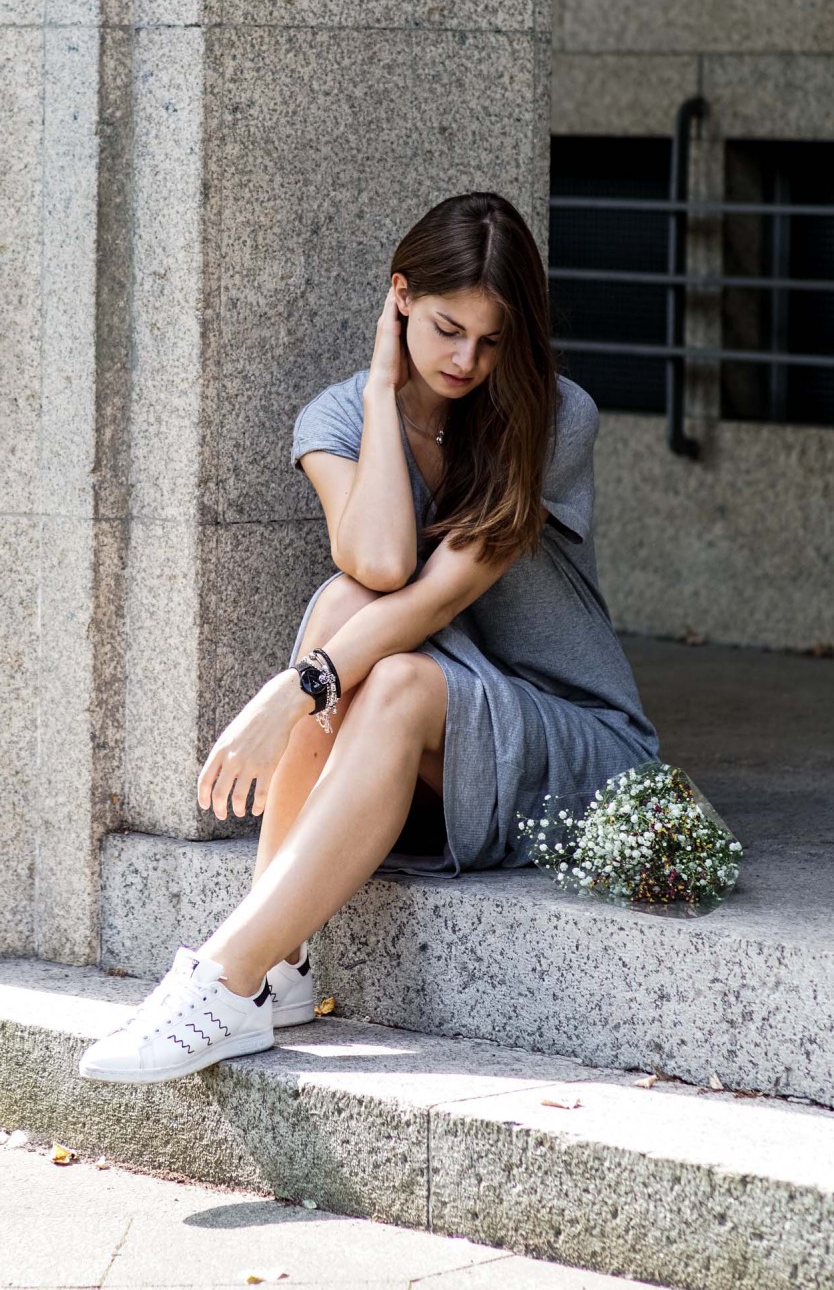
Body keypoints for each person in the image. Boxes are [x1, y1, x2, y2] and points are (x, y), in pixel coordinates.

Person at [78, 190, 660, 1086]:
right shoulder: (339, 417)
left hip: (573, 736)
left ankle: (229, 978)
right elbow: (382, 561)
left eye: (494, 338)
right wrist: (386, 389)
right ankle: (278, 968)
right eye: (444, 328)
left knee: (389, 677)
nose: (468, 359)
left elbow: (434, 598)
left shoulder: (554, 415)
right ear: (398, 299)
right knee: (346, 598)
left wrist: (297, 687)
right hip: (434, 746)